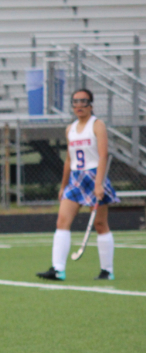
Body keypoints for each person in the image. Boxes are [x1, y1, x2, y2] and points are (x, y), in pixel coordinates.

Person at [37, 89, 120, 281]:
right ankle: (58, 270)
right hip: (76, 178)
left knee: (100, 224)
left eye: (83, 101)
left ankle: (107, 270)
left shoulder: (97, 125)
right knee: (62, 222)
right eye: (75, 102)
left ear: (90, 104)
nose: (79, 106)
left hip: (94, 176)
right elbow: (68, 159)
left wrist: (99, 184)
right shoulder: (70, 129)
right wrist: (63, 185)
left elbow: (103, 156)